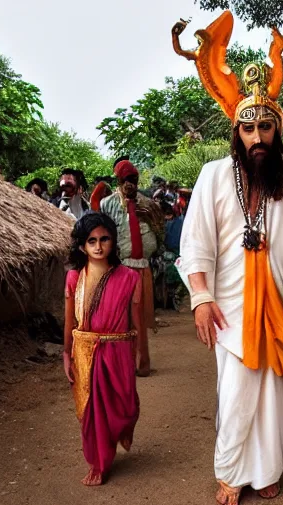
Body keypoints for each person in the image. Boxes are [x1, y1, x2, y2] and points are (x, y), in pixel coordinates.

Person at [173, 12, 283, 505]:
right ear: (236, 132)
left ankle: (267, 470)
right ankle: (230, 472)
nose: (258, 137)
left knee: (276, 394)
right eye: (248, 128)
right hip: (230, 306)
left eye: (266, 126)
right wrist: (201, 299)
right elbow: (195, 244)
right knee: (238, 391)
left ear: (277, 128)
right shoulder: (212, 175)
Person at [63, 212, 141, 486]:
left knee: (125, 406)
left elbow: (135, 320)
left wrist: (138, 351)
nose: (98, 246)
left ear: (113, 241)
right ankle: (99, 463)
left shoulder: (130, 277)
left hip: (118, 350)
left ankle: (124, 427)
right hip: (85, 351)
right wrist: (65, 353)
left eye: (104, 239)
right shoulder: (74, 277)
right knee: (93, 413)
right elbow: (69, 318)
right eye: (91, 240)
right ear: (82, 245)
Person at [100, 158, 164, 377]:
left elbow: (160, 233)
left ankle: (141, 364)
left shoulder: (147, 203)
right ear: (118, 180)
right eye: (126, 179)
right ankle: (121, 364)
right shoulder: (107, 204)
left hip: (143, 267)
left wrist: (149, 217)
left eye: (133, 179)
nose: (130, 183)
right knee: (121, 317)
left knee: (139, 315)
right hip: (121, 268)